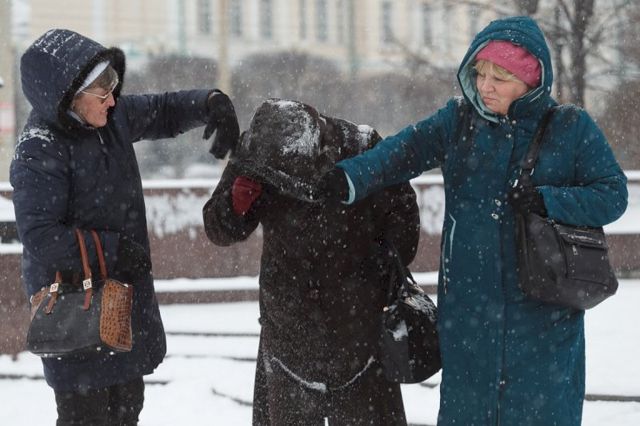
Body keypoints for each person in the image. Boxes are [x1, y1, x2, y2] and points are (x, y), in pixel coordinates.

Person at [317, 16, 628, 425]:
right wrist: (349, 178)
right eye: (480, 74)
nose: (485, 86)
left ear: (530, 80)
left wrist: (548, 200)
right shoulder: (458, 121)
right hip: (469, 315)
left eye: (500, 78)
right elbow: (403, 151)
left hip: (545, 319)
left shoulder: (570, 127)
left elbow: (613, 195)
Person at [10, 29, 239, 425]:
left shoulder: (110, 120)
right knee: (86, 417)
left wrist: (209, 103)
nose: (113, 100)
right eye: (102, 93)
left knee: (127, 410)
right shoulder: (39, 147)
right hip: (75, 317)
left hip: (120, 314)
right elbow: (40, 237)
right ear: (68, 97)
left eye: (113, 87)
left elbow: (163, 111)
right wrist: (112, 250)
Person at [203, 99, 420, 425]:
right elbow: (217, 228)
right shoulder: (256, 152)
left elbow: (403, 217)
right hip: (288, 328)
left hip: (358, 329)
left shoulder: (360, 145)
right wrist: (235, 203)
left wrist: (374, 273)